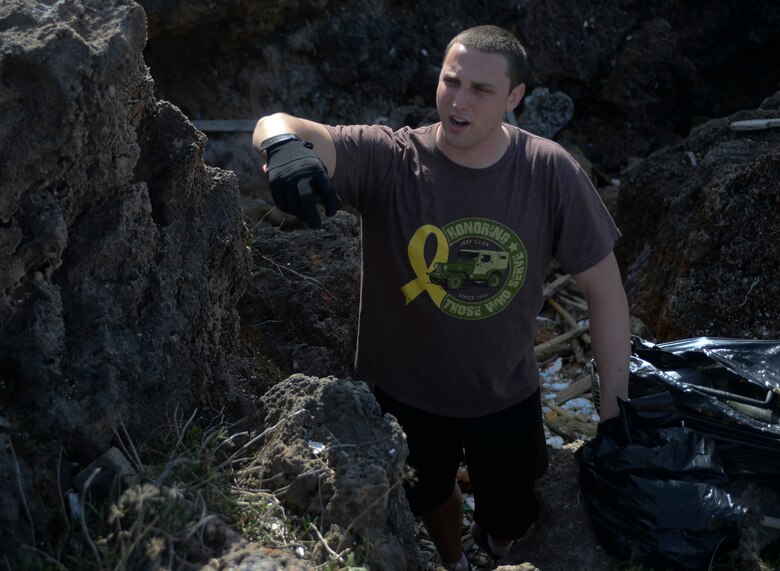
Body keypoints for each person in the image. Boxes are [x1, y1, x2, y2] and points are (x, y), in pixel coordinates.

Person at [253, 25, 630, 571]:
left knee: (513, 519)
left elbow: (607, 292)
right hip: (402, 395)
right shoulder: (390, 159)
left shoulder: (549, 171)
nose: (459, 100)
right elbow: (278, 122)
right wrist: (283, 146)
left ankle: (495, 551)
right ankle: (452, 562)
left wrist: (616, 415)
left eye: (481, 89)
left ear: (515, 98)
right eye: (451, 81)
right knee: (425, 496)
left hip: (505, 396)